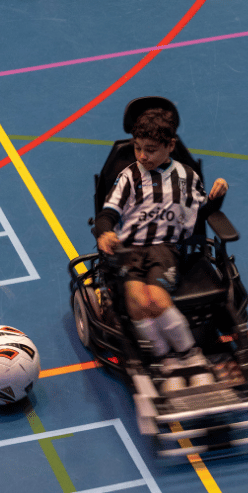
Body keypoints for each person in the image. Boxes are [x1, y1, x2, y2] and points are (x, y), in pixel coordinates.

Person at [95, 103, 228, 373]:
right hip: (129, 250)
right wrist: (104, 231)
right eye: (137, 148)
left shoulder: (185, 177)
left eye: (151, 150)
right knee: (137, 300)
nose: (142, 156)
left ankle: (190, 353)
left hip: (164, 249)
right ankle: (164, 356)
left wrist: (216, 197)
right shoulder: (128, 177)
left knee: (156, 298)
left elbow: (200, 212)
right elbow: (108, 212)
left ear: (170, 145)